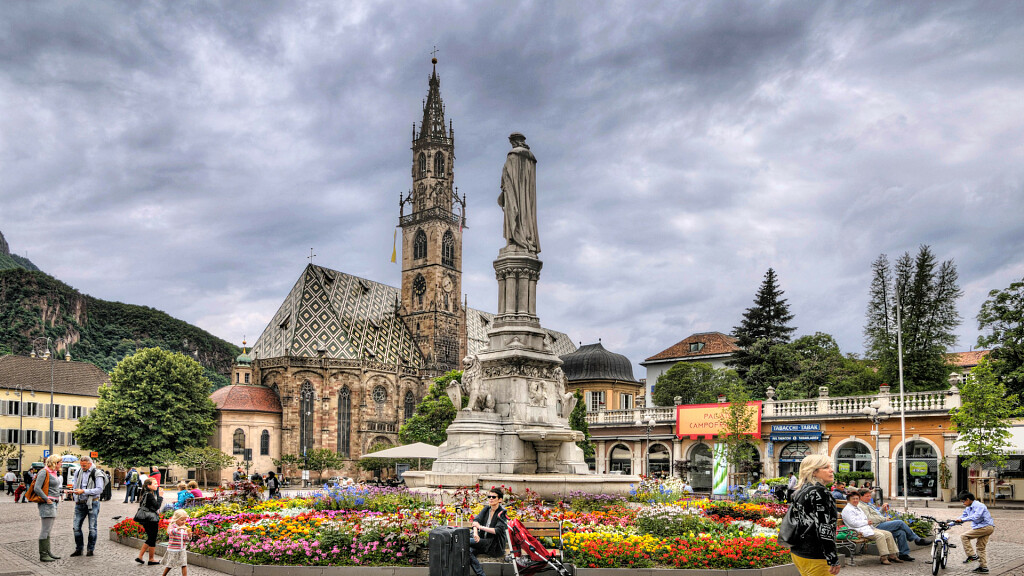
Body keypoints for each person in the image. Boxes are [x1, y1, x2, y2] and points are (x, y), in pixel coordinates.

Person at [788, 455, 840, 576]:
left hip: (799, 552)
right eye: (826, 467)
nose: (832, 470)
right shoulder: (820, 492)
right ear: (814, 472)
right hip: (816, 555)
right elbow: (824, 527)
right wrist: (832, 557)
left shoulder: (801, 490)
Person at [498, 132, 540, 253]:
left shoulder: (513, 155)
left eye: (512, 142)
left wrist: (504, 187)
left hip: (514, 193)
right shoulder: (530, 158)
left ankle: (516, 240)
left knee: (514, 212)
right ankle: (526, 238)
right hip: (527, 196)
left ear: (515, 142)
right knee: (526, 215)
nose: (511, 144)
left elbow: (508, 177)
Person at [856, 487, 923, 561]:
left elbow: (877, 515)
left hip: (880, 523)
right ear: (860, 496)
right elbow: (870, 519)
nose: (870, 498)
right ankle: (916, 539)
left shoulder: (868, 504)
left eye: (870, 496)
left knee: (901, 532)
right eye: (867, 496)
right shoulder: (861, 506)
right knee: (900, 523)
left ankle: (903, 554)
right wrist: (885, 519)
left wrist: (882, 509)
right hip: (875, 526)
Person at [840, 491, 902, 564]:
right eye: (853, 499)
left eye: (857, 499)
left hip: (867, 528)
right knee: (880, 535)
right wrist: (866, 522)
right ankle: (884, 557)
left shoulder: (857, 508)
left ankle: (892, 555)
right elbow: (853, 523)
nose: (855, 500)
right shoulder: (848, 510)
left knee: (888, 534)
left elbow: (864, 518)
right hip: (857, 531)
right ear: (849, 500)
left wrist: (867, 522)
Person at [69, 455, 105, 557]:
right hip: (80, 503)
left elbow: (99, 489)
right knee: (76, 527)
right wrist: (75, 496)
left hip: (93, 502)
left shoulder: (97, 473)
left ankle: (90, 550)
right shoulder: (78, 472)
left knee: (92, 528)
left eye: (84, 465)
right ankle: (79, 549)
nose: (82, 467)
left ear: (90, 464)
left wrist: (84, 491)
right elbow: (75, 486)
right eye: (81, 465)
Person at [469, 487, 508, 576]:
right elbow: (476, 521)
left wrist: (480, 527)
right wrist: (475, 534)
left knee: (463, 541)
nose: (491, 499)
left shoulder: (502, 513)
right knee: (467, 550)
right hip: (482, 542)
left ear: (500, 500)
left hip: (494, 545)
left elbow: (497, 531)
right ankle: (481, 574)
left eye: (493, 497)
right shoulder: (487, 509)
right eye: (489, 497)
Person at [33, 455, 63, 562]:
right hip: (47, 504)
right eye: (60, 462)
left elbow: (53, 487)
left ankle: (47, 551)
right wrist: (46, 499)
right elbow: (37, 488)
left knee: (48, 529)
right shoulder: (44, 472)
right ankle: (43, 554)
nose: (61, 464)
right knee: (45, 529)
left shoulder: (53, 473)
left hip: (54, 503)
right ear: (54, 463)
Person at [956, 491, 995, 574]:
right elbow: (962, 517)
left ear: (968, 499)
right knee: (980, 547)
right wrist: (950, 523)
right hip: (983, 527)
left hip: (986, 527)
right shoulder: (968, 508)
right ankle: (983, 567)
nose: (963, 504)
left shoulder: (979, 505)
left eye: (963, 501)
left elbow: (976, 516)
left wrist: (962, 520)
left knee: (964, 536)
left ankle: (972, 556)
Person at [135, 477, 163, 565]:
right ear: (149, 486)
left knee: (150, 538)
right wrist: (160, 497)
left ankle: (141, 556)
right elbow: (157, 506)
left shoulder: (145, 493)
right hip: (151, 519)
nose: (157, 485)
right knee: (152, 538)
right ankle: (151, 559)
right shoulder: (150, 495)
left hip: (146, 519)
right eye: (155, 484)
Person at [160, 509, 191, 576]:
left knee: (184, 564)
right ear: (176, 519)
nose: (184, 522)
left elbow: (186, 539)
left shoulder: (184, 528)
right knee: (170, 564)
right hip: (173, 549)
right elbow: (170, 532)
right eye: (182, 520)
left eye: (185, 520)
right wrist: (178, 528)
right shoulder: (172, 526)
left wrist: (189, 535)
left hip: (182, 549)